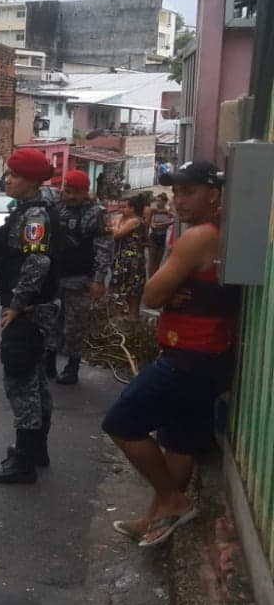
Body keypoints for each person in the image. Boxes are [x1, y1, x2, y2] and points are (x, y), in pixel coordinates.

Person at [102, 160, 238, 549]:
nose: (179, 200)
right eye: (176, 192)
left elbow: (151, 295)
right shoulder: (222, 232)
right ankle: (157, 515)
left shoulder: (198, 237)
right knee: (179, 440)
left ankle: (176, 501)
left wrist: (166, 288)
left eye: (189, 191)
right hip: (212, 356)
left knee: (122, 422)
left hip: (189, 357)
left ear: (214, 193)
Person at [0, 148, 60, 484]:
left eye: (13, 175)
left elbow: (37, 262)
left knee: (21, 381)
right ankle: (34, 450)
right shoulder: (26, 210)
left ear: (29, 181)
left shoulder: (35, 217)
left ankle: (24, 462)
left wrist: (17, 302)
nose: (7, 180)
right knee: (35, 379)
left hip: (28, 310)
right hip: (29, 307)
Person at [46, 169, 112, 385]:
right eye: (68, 191)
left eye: (77, 192)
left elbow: (104, 247)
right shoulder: (55, 208)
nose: (71, 196)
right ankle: (48, 362)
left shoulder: (96, 213)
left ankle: (72, 367)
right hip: (54, 276)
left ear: (86, 192)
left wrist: (98, 279)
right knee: (51, 321)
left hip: (80, 278)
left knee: (75, 325)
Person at [110, 193, 148, 321]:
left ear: (132, 208)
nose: (121, 210)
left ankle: (133, 319)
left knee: (133, 291)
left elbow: (116, 234)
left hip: (132, 260)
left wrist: (117, 222)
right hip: (123, 258)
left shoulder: (135, 221)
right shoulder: (129, 220)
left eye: (125, 207)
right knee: (125, 289)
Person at [146, 192, 174, 277]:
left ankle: (155, 278)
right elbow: (152, 224)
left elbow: (173, 219)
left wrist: (164, 224)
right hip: (154, 236)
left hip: (162, 236)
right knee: (152, 260)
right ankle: (150, 279)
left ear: (164, 202)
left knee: (158, 261)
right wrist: (167, 223)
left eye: (160, 201)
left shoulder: (168, 211)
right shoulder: (153, 210)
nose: (158, 202)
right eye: (157, 200)